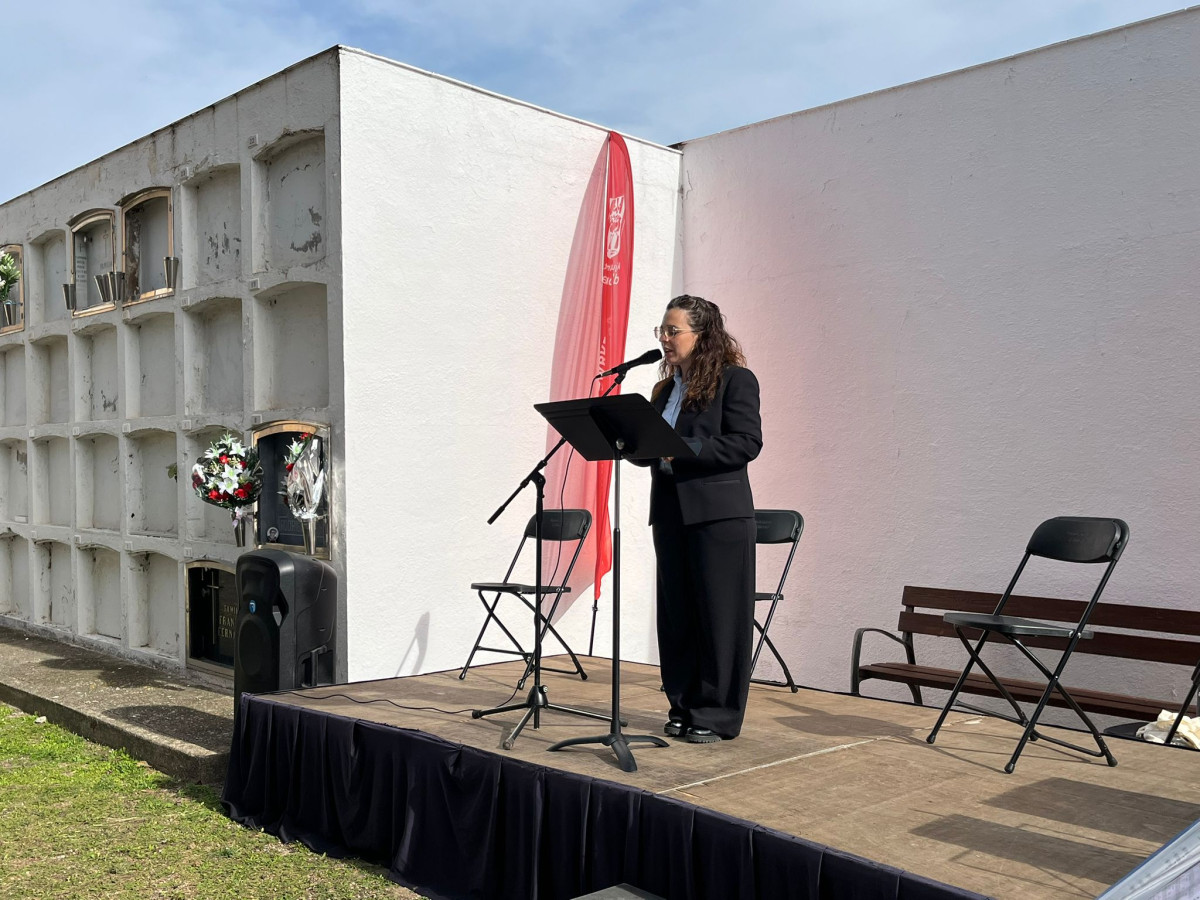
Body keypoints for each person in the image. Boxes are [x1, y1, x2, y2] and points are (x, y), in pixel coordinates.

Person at [645, 294, 762, 743]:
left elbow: (745, 443)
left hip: (718, 516)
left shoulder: (735, 381)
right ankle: (683, 703)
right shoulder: (665, 389)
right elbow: (651, 451)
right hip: (671, 513)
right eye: (662, 330)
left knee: (718, 617)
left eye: (673, 330)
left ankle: (716, 714)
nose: (665, 338)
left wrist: (683, 448)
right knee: (677, 616)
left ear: (702, 335)